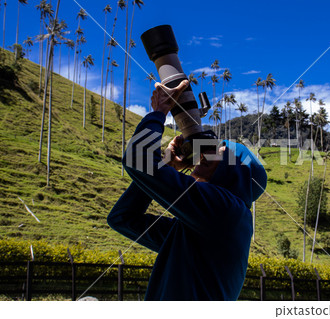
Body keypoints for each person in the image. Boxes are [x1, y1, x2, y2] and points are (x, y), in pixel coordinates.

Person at [107, 80, 267, 300]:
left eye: (216, 152)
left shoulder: (228, 212)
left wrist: (159, 112)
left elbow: (137, 158)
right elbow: (122, 218)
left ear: (233, 171)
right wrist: (166, 165)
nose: (204, 154)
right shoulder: (201, 229)